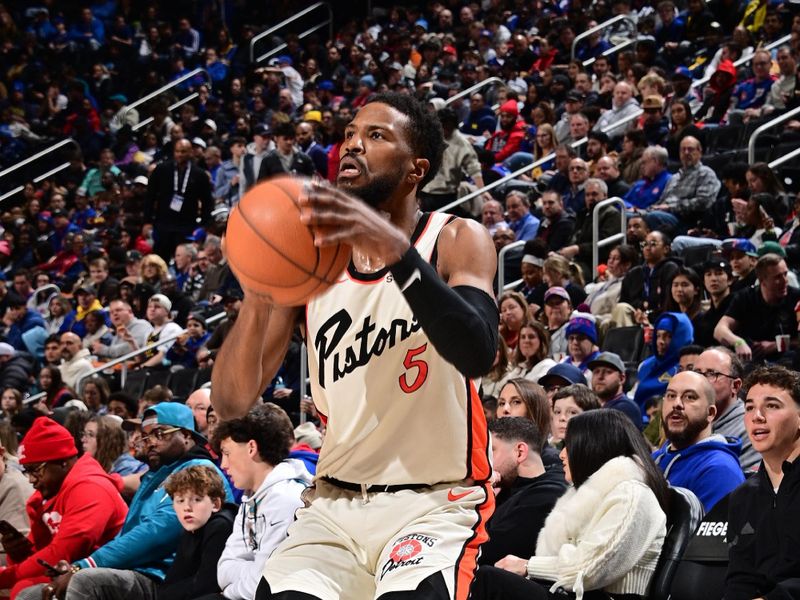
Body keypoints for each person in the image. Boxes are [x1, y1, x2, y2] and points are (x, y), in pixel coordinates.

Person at [212, 93, 499, 599]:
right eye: (349, 134)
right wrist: (259, 292)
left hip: (433, 502)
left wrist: (393, 248)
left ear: (417, 169)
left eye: (376, 135)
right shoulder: (313, 267)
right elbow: (233, 404)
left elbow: (477, 351)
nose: (353, 145)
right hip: (333, 509)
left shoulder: (455, 238)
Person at [471, 410, 668, 600]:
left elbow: (589, 569)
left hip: (603, 596)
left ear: (592, 447)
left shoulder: (631, 494)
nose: (561, 455)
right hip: (574, 592)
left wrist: (528, 566)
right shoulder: (603, 493)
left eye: (570, 445)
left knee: (487, 579)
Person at [48, 403, 233, 600]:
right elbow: (128, 533)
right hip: (142, 570)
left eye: (159, 434)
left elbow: (155, 533)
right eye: (146, 436)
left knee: (84, 581)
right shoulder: (158, 473)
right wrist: (81, 565)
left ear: (186, 435)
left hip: (164, 578)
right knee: (34, 592)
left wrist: (85, 565)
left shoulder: (197, 471)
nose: (150, 442)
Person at [2, 418, 127, 600]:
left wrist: (6, 576)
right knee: (23, 587)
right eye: (26, 471)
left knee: (27, 593)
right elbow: (41, 555)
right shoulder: (48, 494)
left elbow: (63, 552)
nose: (30, 480)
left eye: (35, 470)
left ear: (63, 462)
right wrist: (17, 553)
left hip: (109, 576)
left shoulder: (91, 488)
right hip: (74, 570)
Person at [215, 404, 312, 600]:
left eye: (226, 453)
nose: (223, 465)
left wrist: (229, 591)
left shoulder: (287, 500)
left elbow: (263, 584)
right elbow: (223, 569)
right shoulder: (251, 496)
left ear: (251, 448)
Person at [725, 365, 800, 599]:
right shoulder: (742, 496)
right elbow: (739, 577)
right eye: (749, 407)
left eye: (772, 405)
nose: (756, 416)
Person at [478, 418, 567, 567]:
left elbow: (486, 551)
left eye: (490, 451)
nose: (483, 461)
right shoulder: (506, 487)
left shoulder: (545, 495)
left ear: (520, 452)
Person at [652, 370, 745, 511]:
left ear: (711, 413)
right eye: (671, 395)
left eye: (689, 397)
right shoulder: (654, 459)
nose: (676, 404)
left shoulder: (719, 470)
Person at [157, 466, 237, 600]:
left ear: (215, 504)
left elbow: (207, 584)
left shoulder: (221, 526)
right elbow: (171, 580)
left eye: (197, 500)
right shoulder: (191, 527)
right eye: (180, 501)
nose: (187, 508)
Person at [716, 254, 800, 363]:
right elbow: (719, 330)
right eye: (777, 277)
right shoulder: (745, 297)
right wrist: (738, 342)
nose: (785, 281)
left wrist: (775, 345)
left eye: (785, 274)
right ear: (762, 280)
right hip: (754, 361)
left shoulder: (796, 297)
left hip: (790, 361)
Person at [145, 138, 213, 261]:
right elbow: (150, 196)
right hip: (163, 224)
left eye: (183, 151)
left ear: (191, 152)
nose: (180, 154)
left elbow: (207, 202)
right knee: (160, 261)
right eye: (177, 151)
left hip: (187, 226)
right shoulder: (161, 170)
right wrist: (147, 221)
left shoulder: (200, 175)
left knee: (185, 262)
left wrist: (204, 225)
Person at [692, 347, 759, 471]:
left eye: (712, 374)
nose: (700, 381)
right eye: (697, 373)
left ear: (735, 385)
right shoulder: (687, 420)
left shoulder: (751, 428)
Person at [634, 312, 694, 413]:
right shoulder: (645, 366)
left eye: (668, 336)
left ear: (681, 337)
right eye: (658, 335)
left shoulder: (687, 368)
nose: (660, 341)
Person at [588, 352, 643, 428]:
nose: (600, 377)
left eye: (608, 372)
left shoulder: (626, 408)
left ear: (621, 378)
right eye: (596, 372)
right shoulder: (593, 407)